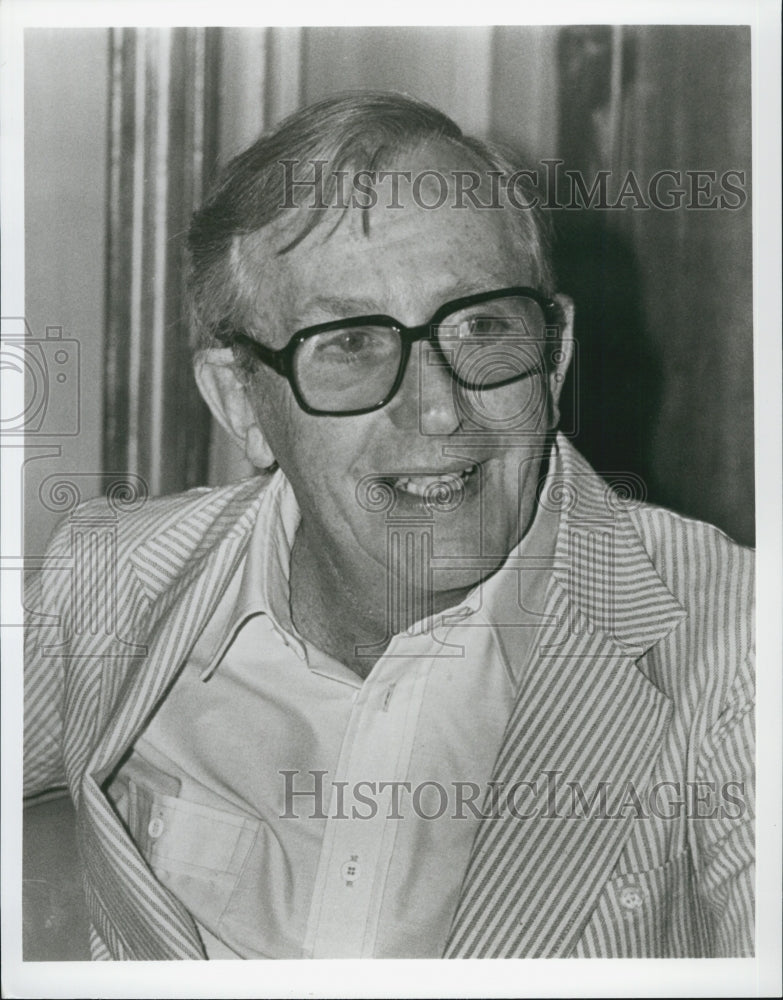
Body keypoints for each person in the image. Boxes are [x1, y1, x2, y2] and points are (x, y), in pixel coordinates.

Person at [24, 92, 754, 960]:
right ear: (239, 402)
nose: (440, 410)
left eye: (482, 325)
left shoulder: (731, 641)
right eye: (349, 342)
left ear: (553, 357)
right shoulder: (113, 579)